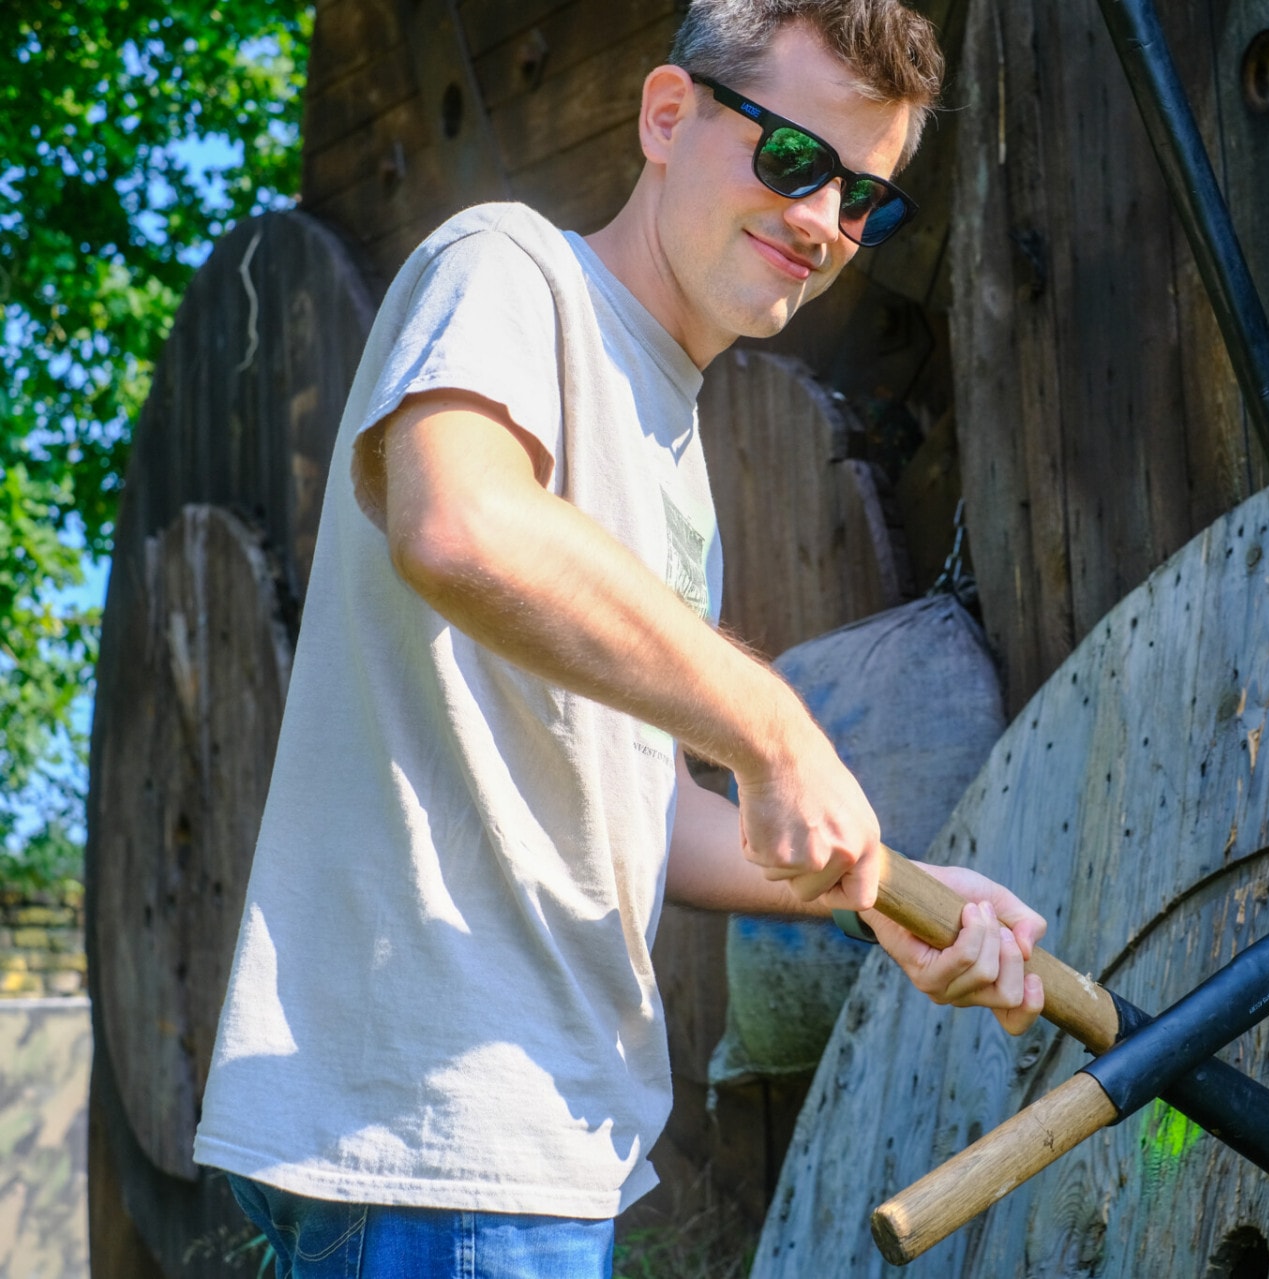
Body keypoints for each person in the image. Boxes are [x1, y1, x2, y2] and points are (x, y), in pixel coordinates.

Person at [192, 3, 1046, 1273]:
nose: (823, 223)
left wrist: (890, 892)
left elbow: (641, 816)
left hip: (535, 1140)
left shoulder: (671, 445)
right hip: (449, 1132)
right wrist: (771, 725)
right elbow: (459, 520)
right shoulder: (509, 267)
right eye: (793, 157)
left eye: (865, 199)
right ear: (667, 115)